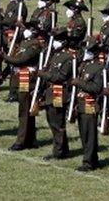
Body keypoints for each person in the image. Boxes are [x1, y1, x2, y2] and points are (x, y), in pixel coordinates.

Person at [4, 17, 45, 150]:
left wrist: (4, 57)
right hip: (21, 79)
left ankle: (21, 141)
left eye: (27, 28)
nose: (24, 30)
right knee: (27, 111)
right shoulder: (24, 43)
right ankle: (31, 140)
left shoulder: (34, 45)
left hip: (28, 81)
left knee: (24, 112)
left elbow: (21, 60)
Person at [37, 30, 74, 159]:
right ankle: (63, 149)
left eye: (57, 40)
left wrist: (44, 74)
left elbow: (60, 77)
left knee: (58, 124)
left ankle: (58, 152)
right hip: (50, 92)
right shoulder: (54, 55)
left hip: (59, 92)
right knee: (52, 122)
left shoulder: (68, 58)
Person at [72, 37, 106, 170]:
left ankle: (88, 162)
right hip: (81, 103)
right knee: (83, 133)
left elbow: (96, 88)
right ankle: (92, 158)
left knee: (89, 134)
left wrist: (79, 83)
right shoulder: (85, 65)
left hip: (90, 103)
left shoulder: (98, 68)